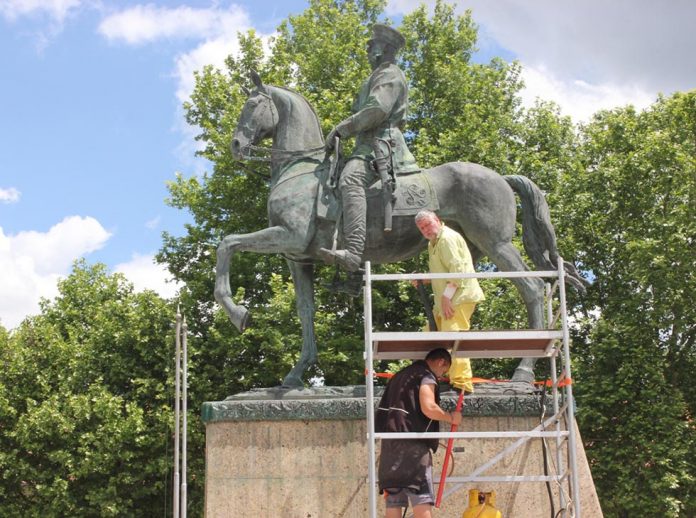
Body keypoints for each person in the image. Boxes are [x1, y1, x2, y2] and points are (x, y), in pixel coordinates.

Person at [319, 23, 420, 272]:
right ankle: (353, 270)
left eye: (371, 45)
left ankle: (353, 254)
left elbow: (377, 110)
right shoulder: (377, 76)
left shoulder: (389, 74)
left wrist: (343, 128)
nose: (367, 49)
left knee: (350, 179)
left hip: (382, 144)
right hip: (367, 144)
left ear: (383, 49)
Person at [376, 348, 463, 518]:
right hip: (413, 450)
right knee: (421, 500)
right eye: (443, 371)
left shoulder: (397, 377)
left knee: (393, 502)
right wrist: (451, 417)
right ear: (441, 362)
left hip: (390, 449)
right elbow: (429, 407)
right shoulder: (426, 375)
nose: (440, 376)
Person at [414, 210, 485, 394]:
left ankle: (462, 385)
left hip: (457, 297)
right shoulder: (433, 243)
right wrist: (425, 279)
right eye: (422, 228)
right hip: (447, 299)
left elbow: (458, 269)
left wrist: (446, 296)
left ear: (437, 220)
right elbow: (444, 271)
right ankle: (439, 376)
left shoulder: (447, 239)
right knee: (430, 335)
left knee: (455, 339)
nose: (426, 230)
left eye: (428, 224)